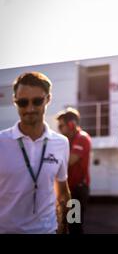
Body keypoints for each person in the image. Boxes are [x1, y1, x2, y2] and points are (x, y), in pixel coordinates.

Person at [0, 72, 71, 233]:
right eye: (23, 102)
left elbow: (62, 193)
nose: (30, 108)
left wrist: (64, 227)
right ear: (14, 101)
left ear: (48, 99)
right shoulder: (1, 142)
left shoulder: (61, 143)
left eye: (37, 101)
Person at [56, 107, 91, 234]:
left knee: (74, 226)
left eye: (61, 126)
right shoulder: (69, 140)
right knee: (65, 225)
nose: (59, 129)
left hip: (76, 191)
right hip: (68, 190)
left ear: (71, 125)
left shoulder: (81, 138)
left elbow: (69, 161)